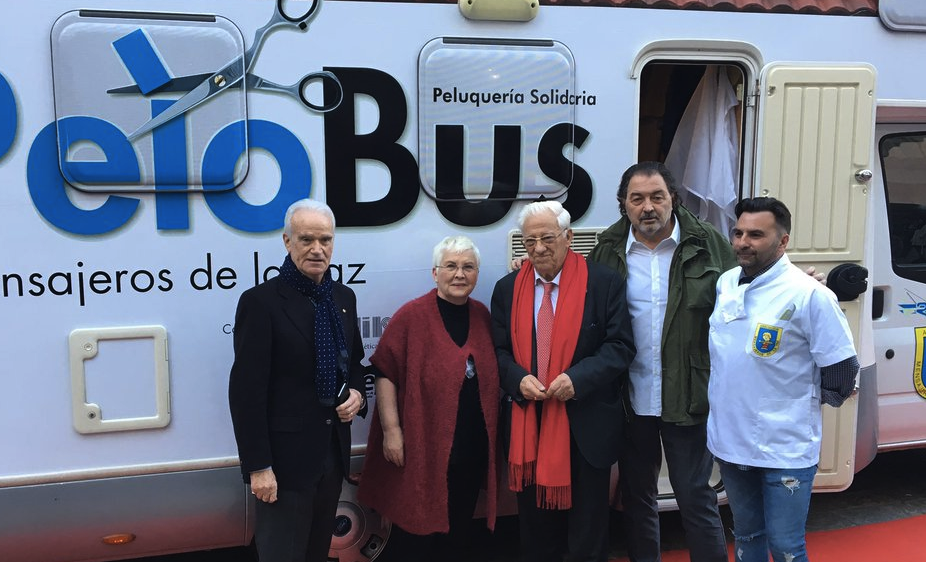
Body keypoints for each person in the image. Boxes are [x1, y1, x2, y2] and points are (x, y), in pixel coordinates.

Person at [587, 161, 733, 562]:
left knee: (695, 496)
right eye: (637, 199)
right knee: (637, 499)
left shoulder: (708, 244)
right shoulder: (607, 251)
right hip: (631, 397)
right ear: (623, 205)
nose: (647, 207)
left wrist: (802, 281)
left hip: (689, 393)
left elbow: (751, 291)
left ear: (673, 199)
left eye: (657, 196)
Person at [707, 197, 859, 562]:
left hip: (784, 445)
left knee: (786, 545)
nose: (743, 241)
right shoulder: (727, 282)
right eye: (738, 232)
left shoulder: (810, 294)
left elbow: (841, 367)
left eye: (756, 234)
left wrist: (800, 401)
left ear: (783, 241)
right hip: (731, 438)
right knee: (746, 536)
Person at [491, 200, 636, 562]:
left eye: (547, 238)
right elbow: (497, 351)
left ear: (569, 237)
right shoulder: (508, 288)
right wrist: (517, 379)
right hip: (530, 423)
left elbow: (620, 346)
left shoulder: (603, 283)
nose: (538, 248)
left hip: (586, 424)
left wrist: (577, 378)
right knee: (537, 533)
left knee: (587, 533)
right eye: (529, 241)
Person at [228, 199, 368, 562]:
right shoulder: (261, 302)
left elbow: (353, 362)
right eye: (306, 239)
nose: (317, 249)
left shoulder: (343, 297)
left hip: (331, 456)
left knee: (316, 554)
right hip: (283, 464)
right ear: (287, 242)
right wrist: (258, 467)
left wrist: (356, 393)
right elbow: (246, 392)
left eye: (325, 240)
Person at [358, 235, 500, 560]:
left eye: (468, 267)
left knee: (458, 532)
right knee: (416, 536)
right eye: (450, 266)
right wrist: (392, 432)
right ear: (435, 273)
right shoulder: (412, 316)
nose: (459, 274)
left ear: (477, 273)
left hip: (470, 449)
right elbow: (384, 372)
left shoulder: (482, 316)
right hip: (424, 449)